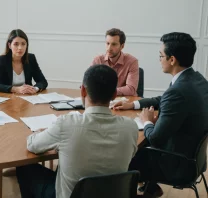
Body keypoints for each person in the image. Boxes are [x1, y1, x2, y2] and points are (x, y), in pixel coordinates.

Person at [16, 65, 138, 198]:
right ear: (115, 95)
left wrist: (45, 132)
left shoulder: (66, 124)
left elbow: (33, 145)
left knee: (24, 166)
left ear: (83, 91)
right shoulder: (130, 127)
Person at [114, 32, 208, 198]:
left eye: (160, 56)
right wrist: (133, 104)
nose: (159, 60)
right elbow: (164, 99)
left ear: (172, 60)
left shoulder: (178, 91)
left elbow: (156, 139)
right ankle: (151, 189)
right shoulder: (196, 79)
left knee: (123, 155)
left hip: (177, 165)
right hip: (195, 158)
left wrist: (148, 121)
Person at [0, 29, 48, 94]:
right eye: (16, 44)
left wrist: (35, 89)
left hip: (27, 98)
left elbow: (43, 81)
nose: (20, 48)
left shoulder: (31, 58)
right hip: (8, 98)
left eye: (23, 44)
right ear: (9, 45)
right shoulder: (1, 60)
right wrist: (15, 89)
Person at [91, 28, 139, 96]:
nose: (109, 48)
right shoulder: (97, 60)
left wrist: (108, 91)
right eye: (107, 43)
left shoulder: (132, 62)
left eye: (114, 44)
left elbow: (131, 89)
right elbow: (89, 84)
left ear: (122, 46)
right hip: (103, 101)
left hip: (125, 102)